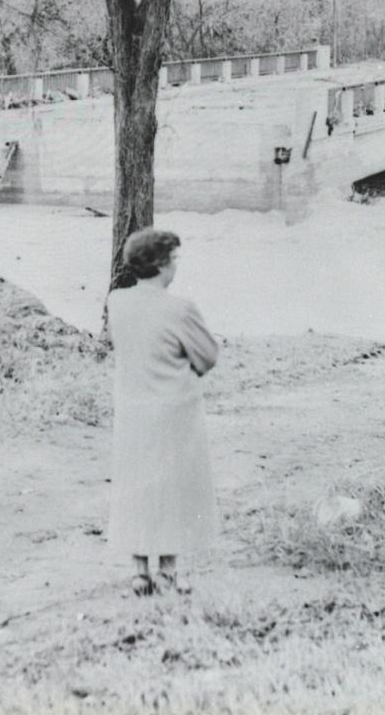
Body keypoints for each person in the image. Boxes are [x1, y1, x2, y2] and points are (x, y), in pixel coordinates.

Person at [106, 228, 219, 596]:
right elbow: (207, 355)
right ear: (160, 264)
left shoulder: (117, 302)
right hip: (174, 411)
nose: (175, 267)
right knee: (172, 489)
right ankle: (169, 572)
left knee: (136, 486)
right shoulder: (180, 309)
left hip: (132, 409)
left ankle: (139, 571)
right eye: (173, 259)